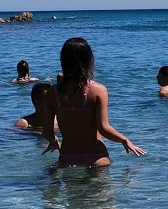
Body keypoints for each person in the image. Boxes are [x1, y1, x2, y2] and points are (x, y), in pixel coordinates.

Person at [40, 37, 145, 167]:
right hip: (97, 157)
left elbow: (47, 132)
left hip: (68, 157)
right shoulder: (98, 90)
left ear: (63, 61)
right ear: (88, 61)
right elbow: (104, 128)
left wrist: (54, 141)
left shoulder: (52, 93)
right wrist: (124, 139)